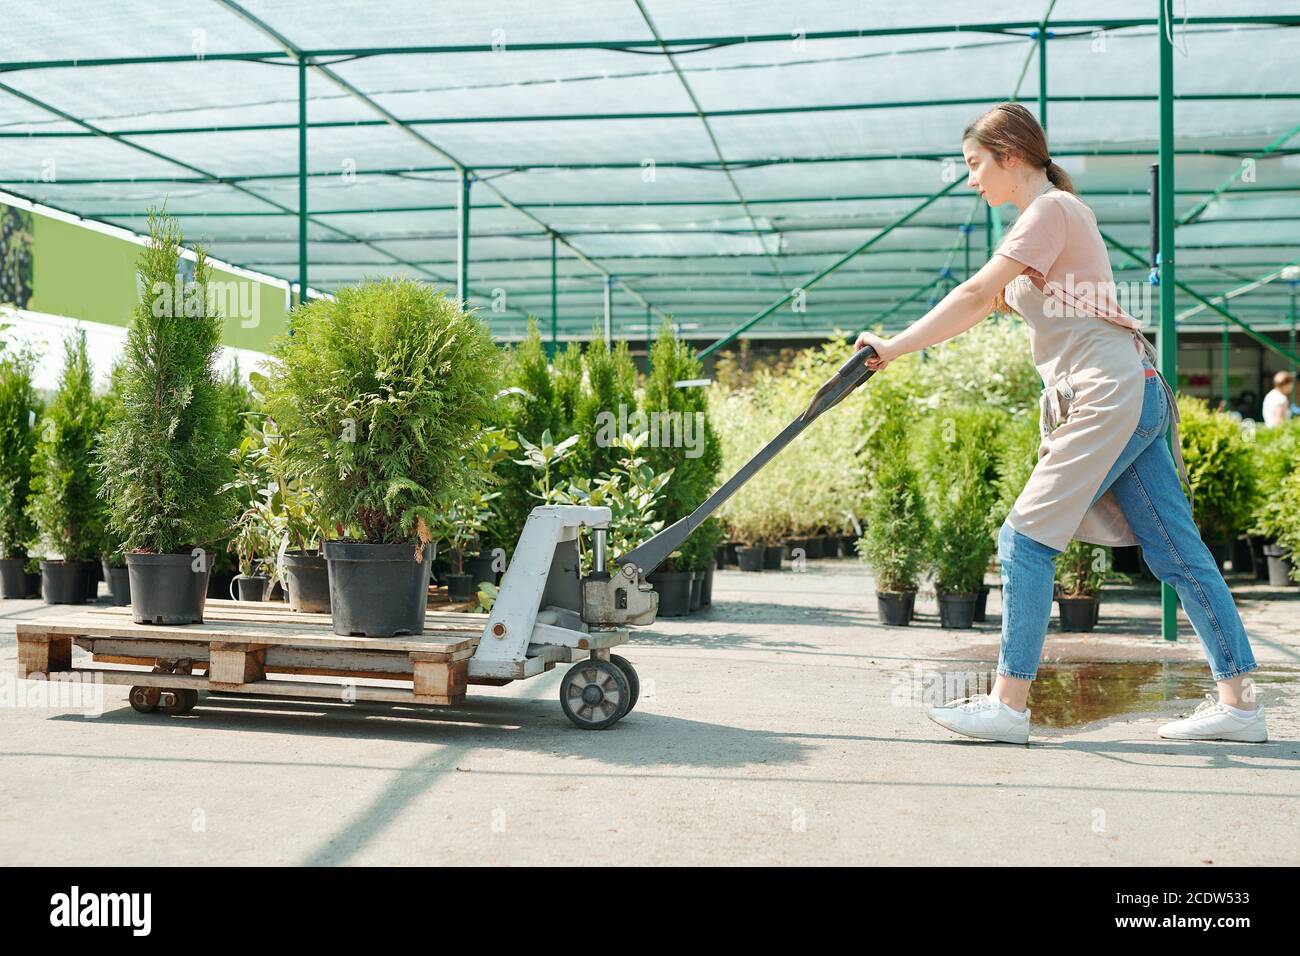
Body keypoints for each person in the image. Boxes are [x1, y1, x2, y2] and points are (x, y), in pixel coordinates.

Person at [854, 102, 1265, 745]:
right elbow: (976, 301)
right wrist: (896, 350)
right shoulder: (1044, 221)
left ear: (1010, 157)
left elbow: (970, 295)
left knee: (1024, 541)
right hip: (1130, 389)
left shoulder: (1051, 211)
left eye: (975, 165)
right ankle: (1240, 707)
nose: (971, 180)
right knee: (1179, 555)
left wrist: (892, 348)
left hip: (1107, 395)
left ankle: (1008, 708)